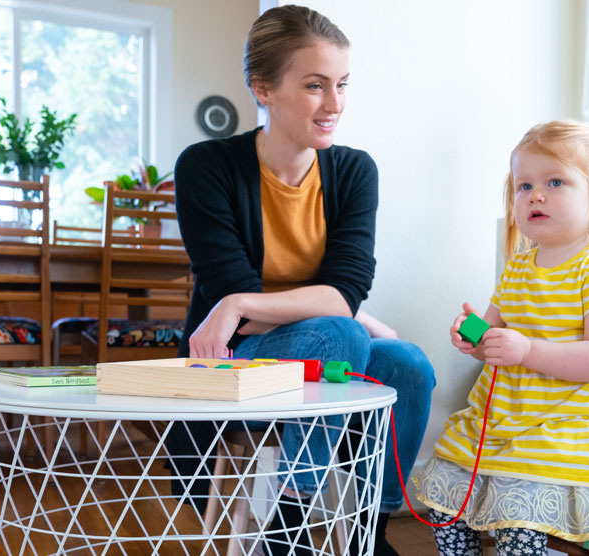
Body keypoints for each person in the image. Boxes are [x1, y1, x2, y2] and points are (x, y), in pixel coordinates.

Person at [171, 5, 435, 556]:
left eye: (342, 85)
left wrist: (244, 299)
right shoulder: (206, 165)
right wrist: (331, 309)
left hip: (325, 346)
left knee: (408, 364)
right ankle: (290, 525)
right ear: (262, 88)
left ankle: (372, 530)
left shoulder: (355, 171)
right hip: (234, 360)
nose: (335, 104)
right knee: (342, 334)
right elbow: (246, 292)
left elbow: (342, 290)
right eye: (316, 86)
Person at [412, 120, 589, 556]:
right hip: (507, 415)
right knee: (443, 500)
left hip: (569, 422)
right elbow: (495, 330)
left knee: (518, 519)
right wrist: (474, 335)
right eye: (524, 185)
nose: (535, 195)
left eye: (555, 182)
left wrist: (526, 350)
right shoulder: (518, 268)